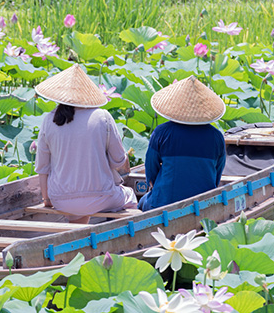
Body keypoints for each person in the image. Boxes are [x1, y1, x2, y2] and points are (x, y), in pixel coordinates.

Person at [33, 64, 136, 224]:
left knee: (79, 208)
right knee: (130, 195)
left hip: (60, 199)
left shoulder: (49, 119)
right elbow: (118, 160)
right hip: (101, 197)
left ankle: (77, 235)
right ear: (88, 94)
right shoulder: (103, 116)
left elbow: (42, 167)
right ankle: (120, 241)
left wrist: (46, 198)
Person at [138, 76, 227, 212]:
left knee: (142, 203)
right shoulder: (217, 136)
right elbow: (217, 175)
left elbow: (151, 169)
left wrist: (158, 188)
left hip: (163, 204)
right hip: (204, 205)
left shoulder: (161, 132)